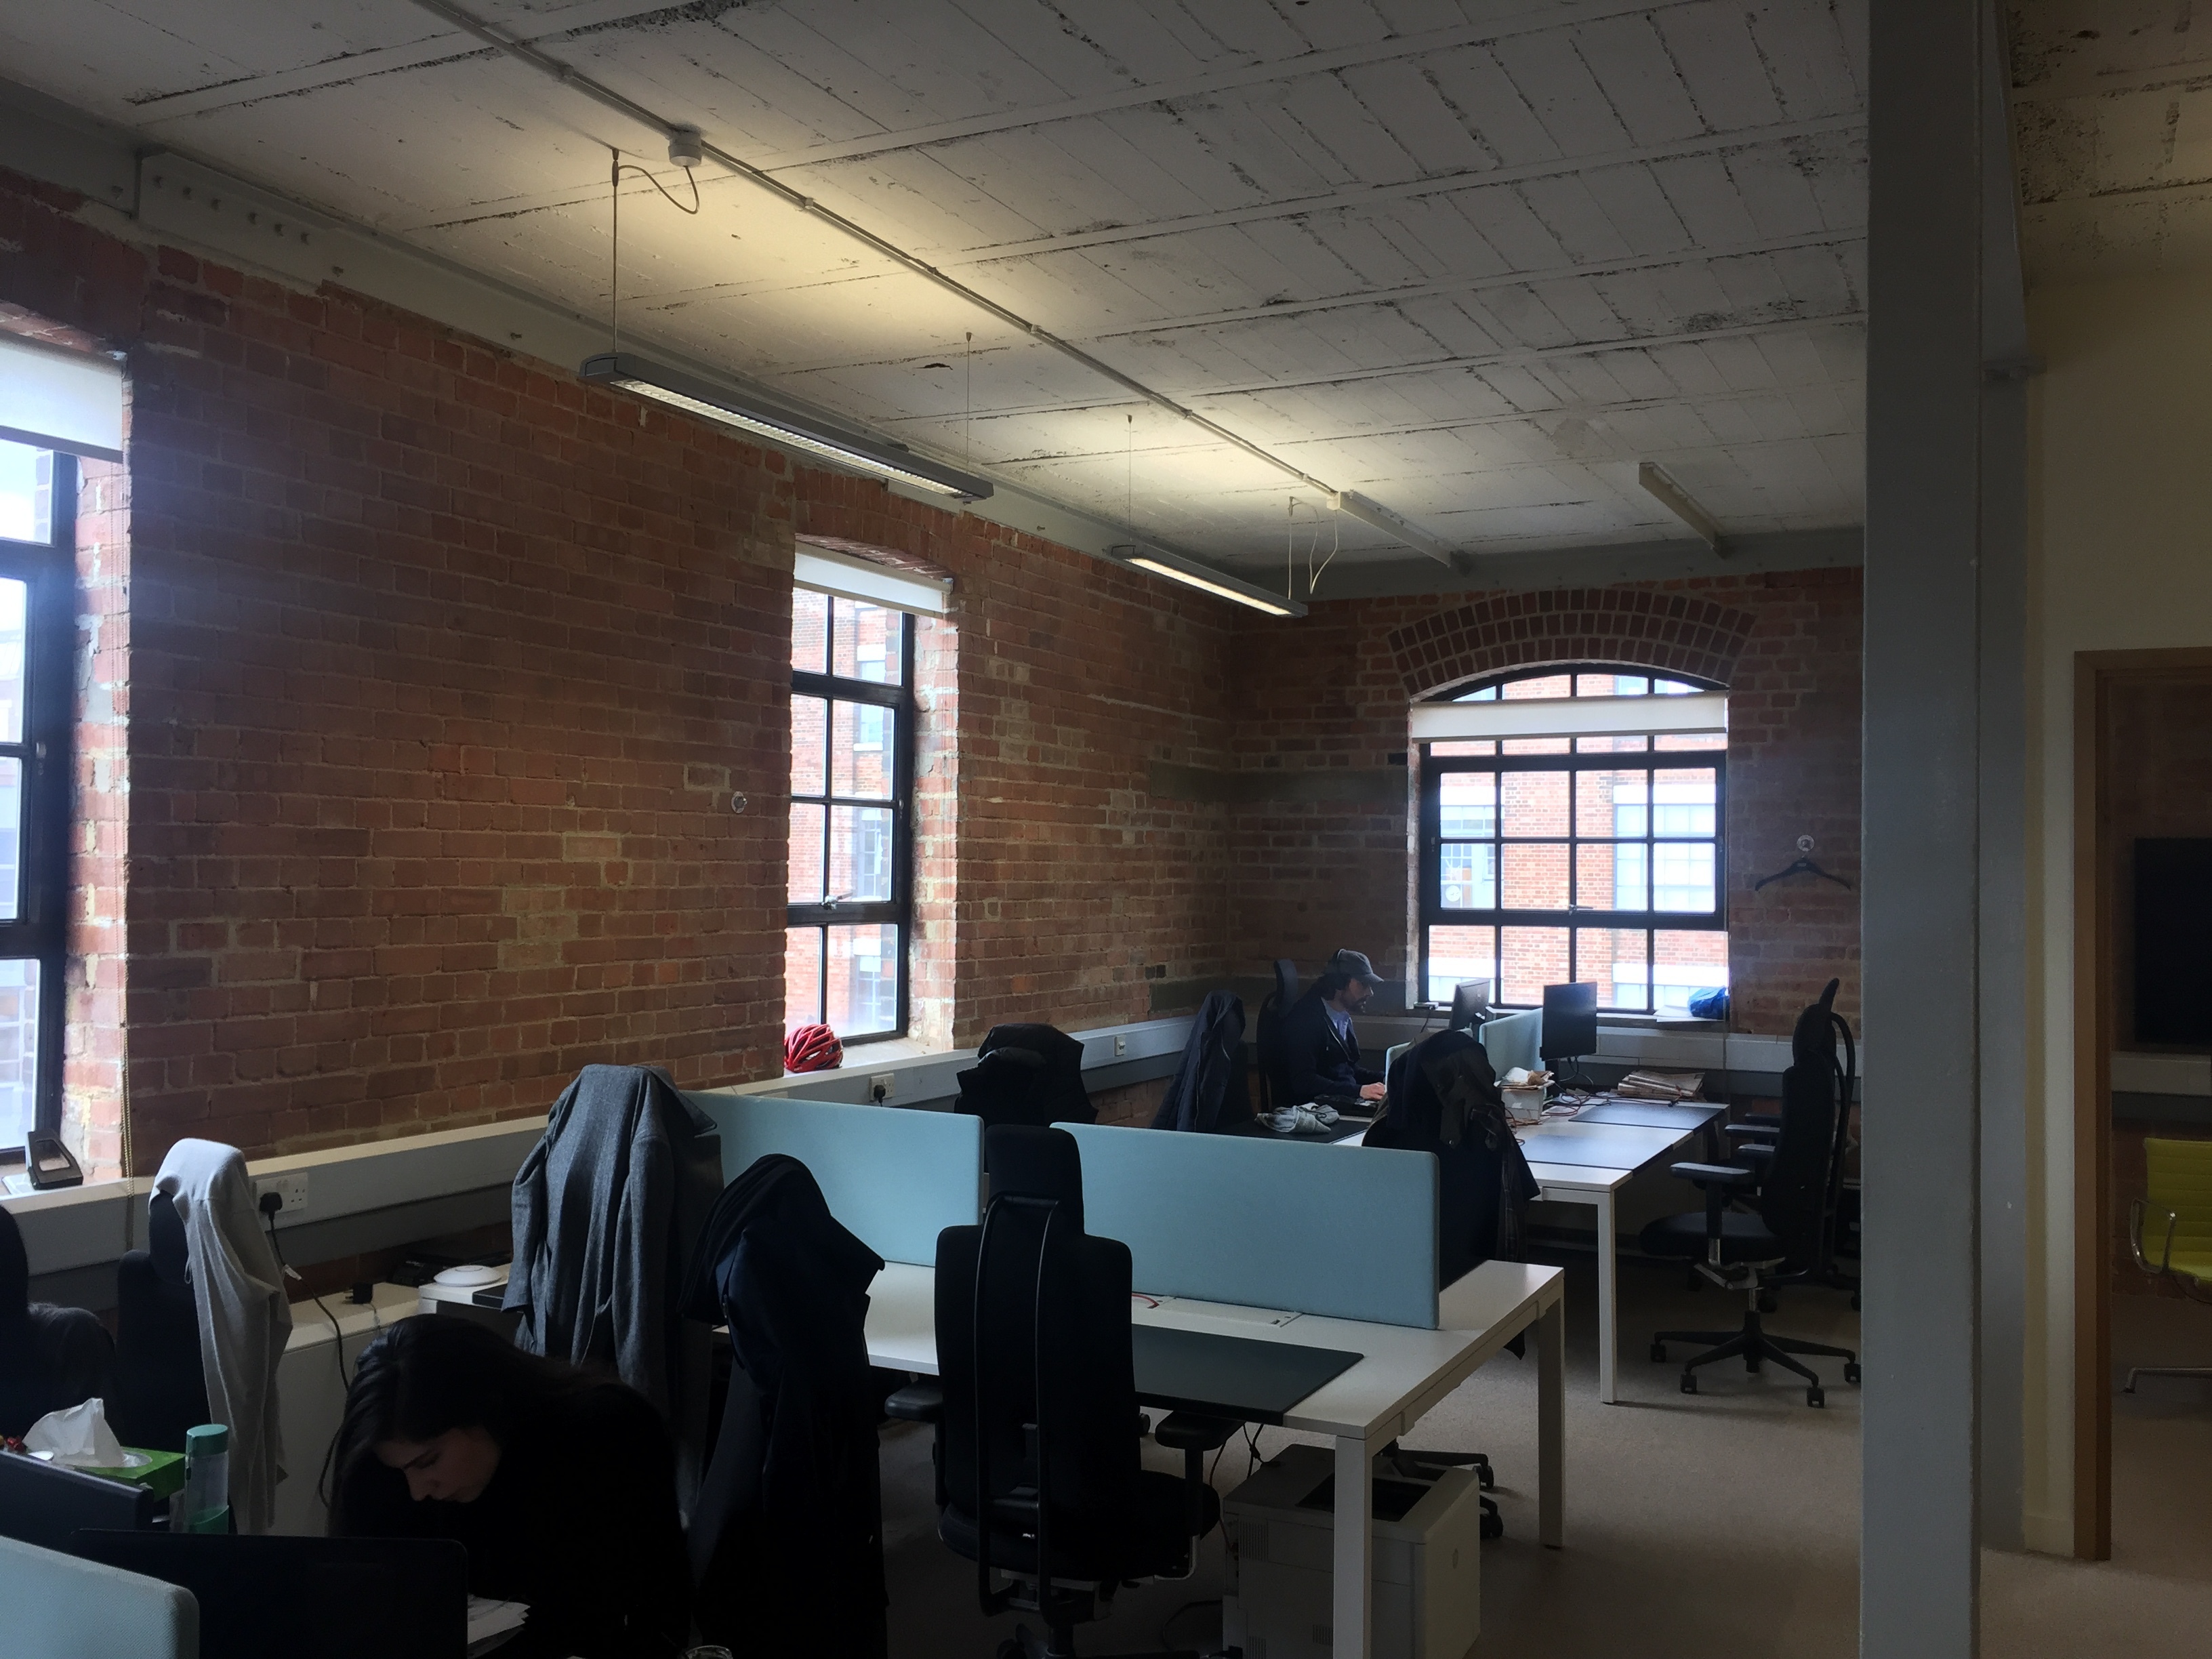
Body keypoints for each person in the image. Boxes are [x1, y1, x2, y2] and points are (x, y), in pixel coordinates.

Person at [326, 1316, 690, 1659]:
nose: (418, 1491)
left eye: (428, 1461)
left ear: (486, 1408)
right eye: (400, 1470)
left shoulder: (606, 1435)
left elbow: (661, 1614)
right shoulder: (379, 1477)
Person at [1278, 947, 1390, 1110]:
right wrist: (1359, 1091)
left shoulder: (1341, 1016)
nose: (1370, 992)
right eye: (1363, 984)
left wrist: (1388, 1078)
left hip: (1338, 1102)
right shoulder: (1306, 1020)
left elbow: (1347, 1070)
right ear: (1340, 983)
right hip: (1316, 1109)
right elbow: (1303, 1081)